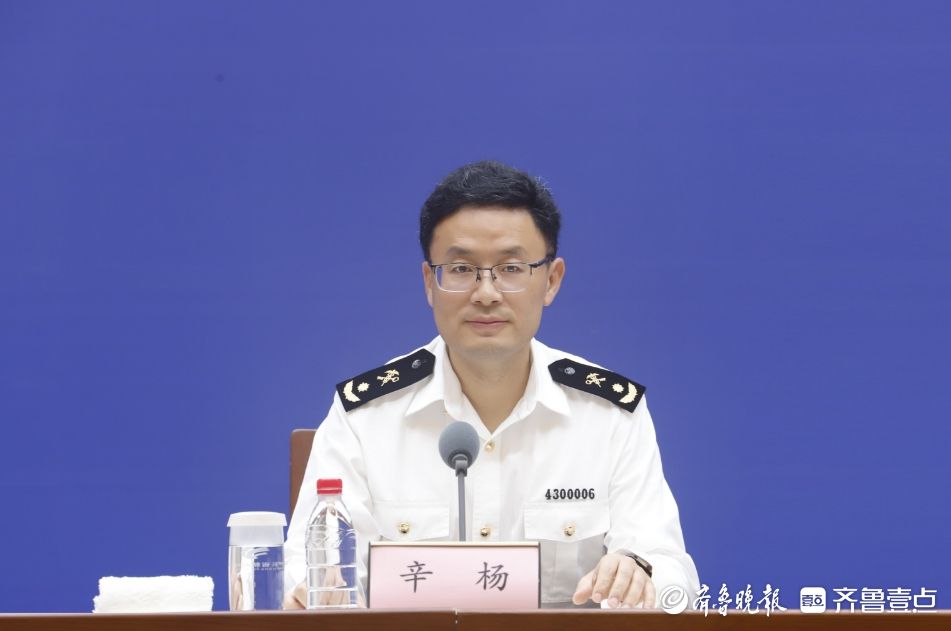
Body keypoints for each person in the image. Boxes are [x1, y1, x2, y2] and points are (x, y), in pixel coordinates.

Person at [283, 160, 699, 609]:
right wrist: (315, 589)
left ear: (551, 281)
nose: (486, 293)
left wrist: (638, 574)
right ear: (430, 283)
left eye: (512, 268)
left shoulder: (608, 416)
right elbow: (306, 573)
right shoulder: (365, 418)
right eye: (461, 269)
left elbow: (671, 574)